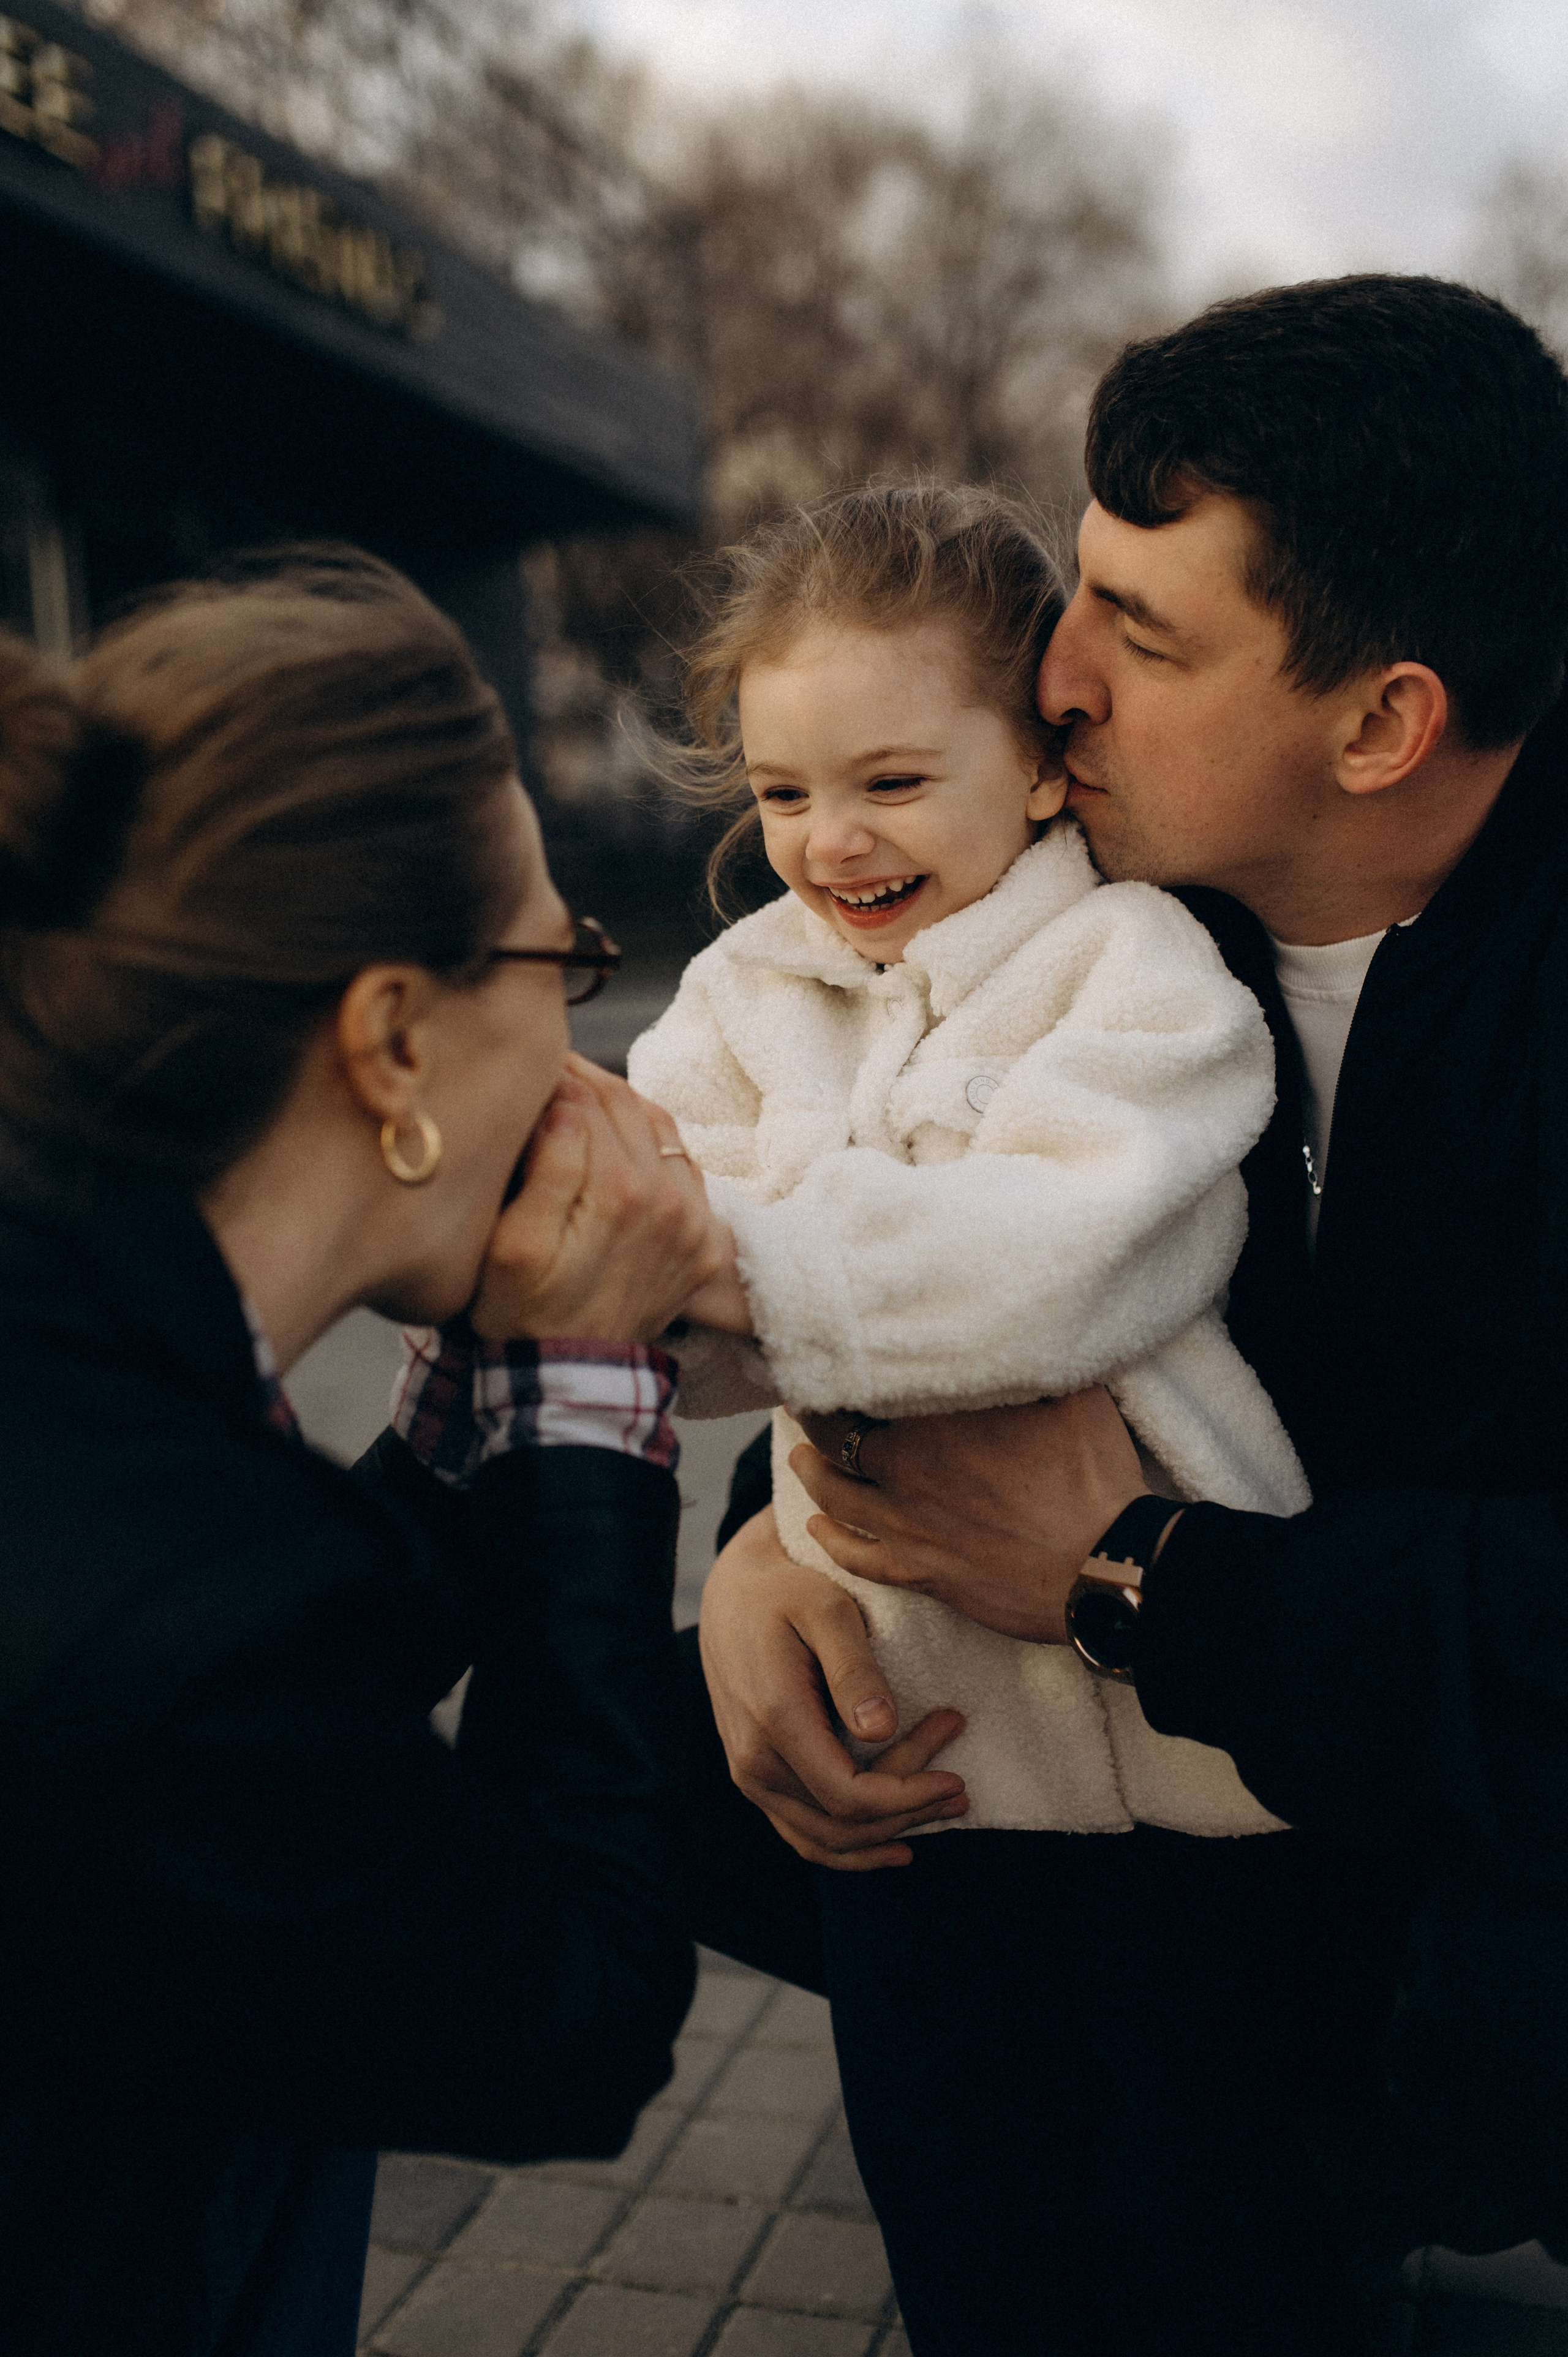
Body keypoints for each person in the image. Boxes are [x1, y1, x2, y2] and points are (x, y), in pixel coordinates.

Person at [686, 275, 1568, 2354]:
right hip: (1079, 1916)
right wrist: (761, 1546)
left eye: (1141, 635)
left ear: (1382, 723)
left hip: (1437, 1951)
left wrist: (1139, 1574)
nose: (1053, 676)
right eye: (1077, 588)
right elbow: (890, 1209)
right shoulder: (1077, 916)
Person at [0, 549, 731, 2356]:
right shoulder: (167, 1601)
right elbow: (567, 2019)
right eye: (563, 959)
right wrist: (582, 1386)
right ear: (393, 1041)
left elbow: (288, 1729)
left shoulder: (80, 1306)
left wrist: (480, 1411)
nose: (576, 1032)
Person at [629, 482, 1307, 1847]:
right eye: (782, 792)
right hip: (895, 1726)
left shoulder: (1140, 970)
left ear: (1042, 768)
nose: (830, 839)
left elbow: (1066, 1263)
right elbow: (662, 1318)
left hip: (1181, 1751)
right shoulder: (740, 995)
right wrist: (621, 1286)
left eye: (892, 783)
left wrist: (719, 1262)